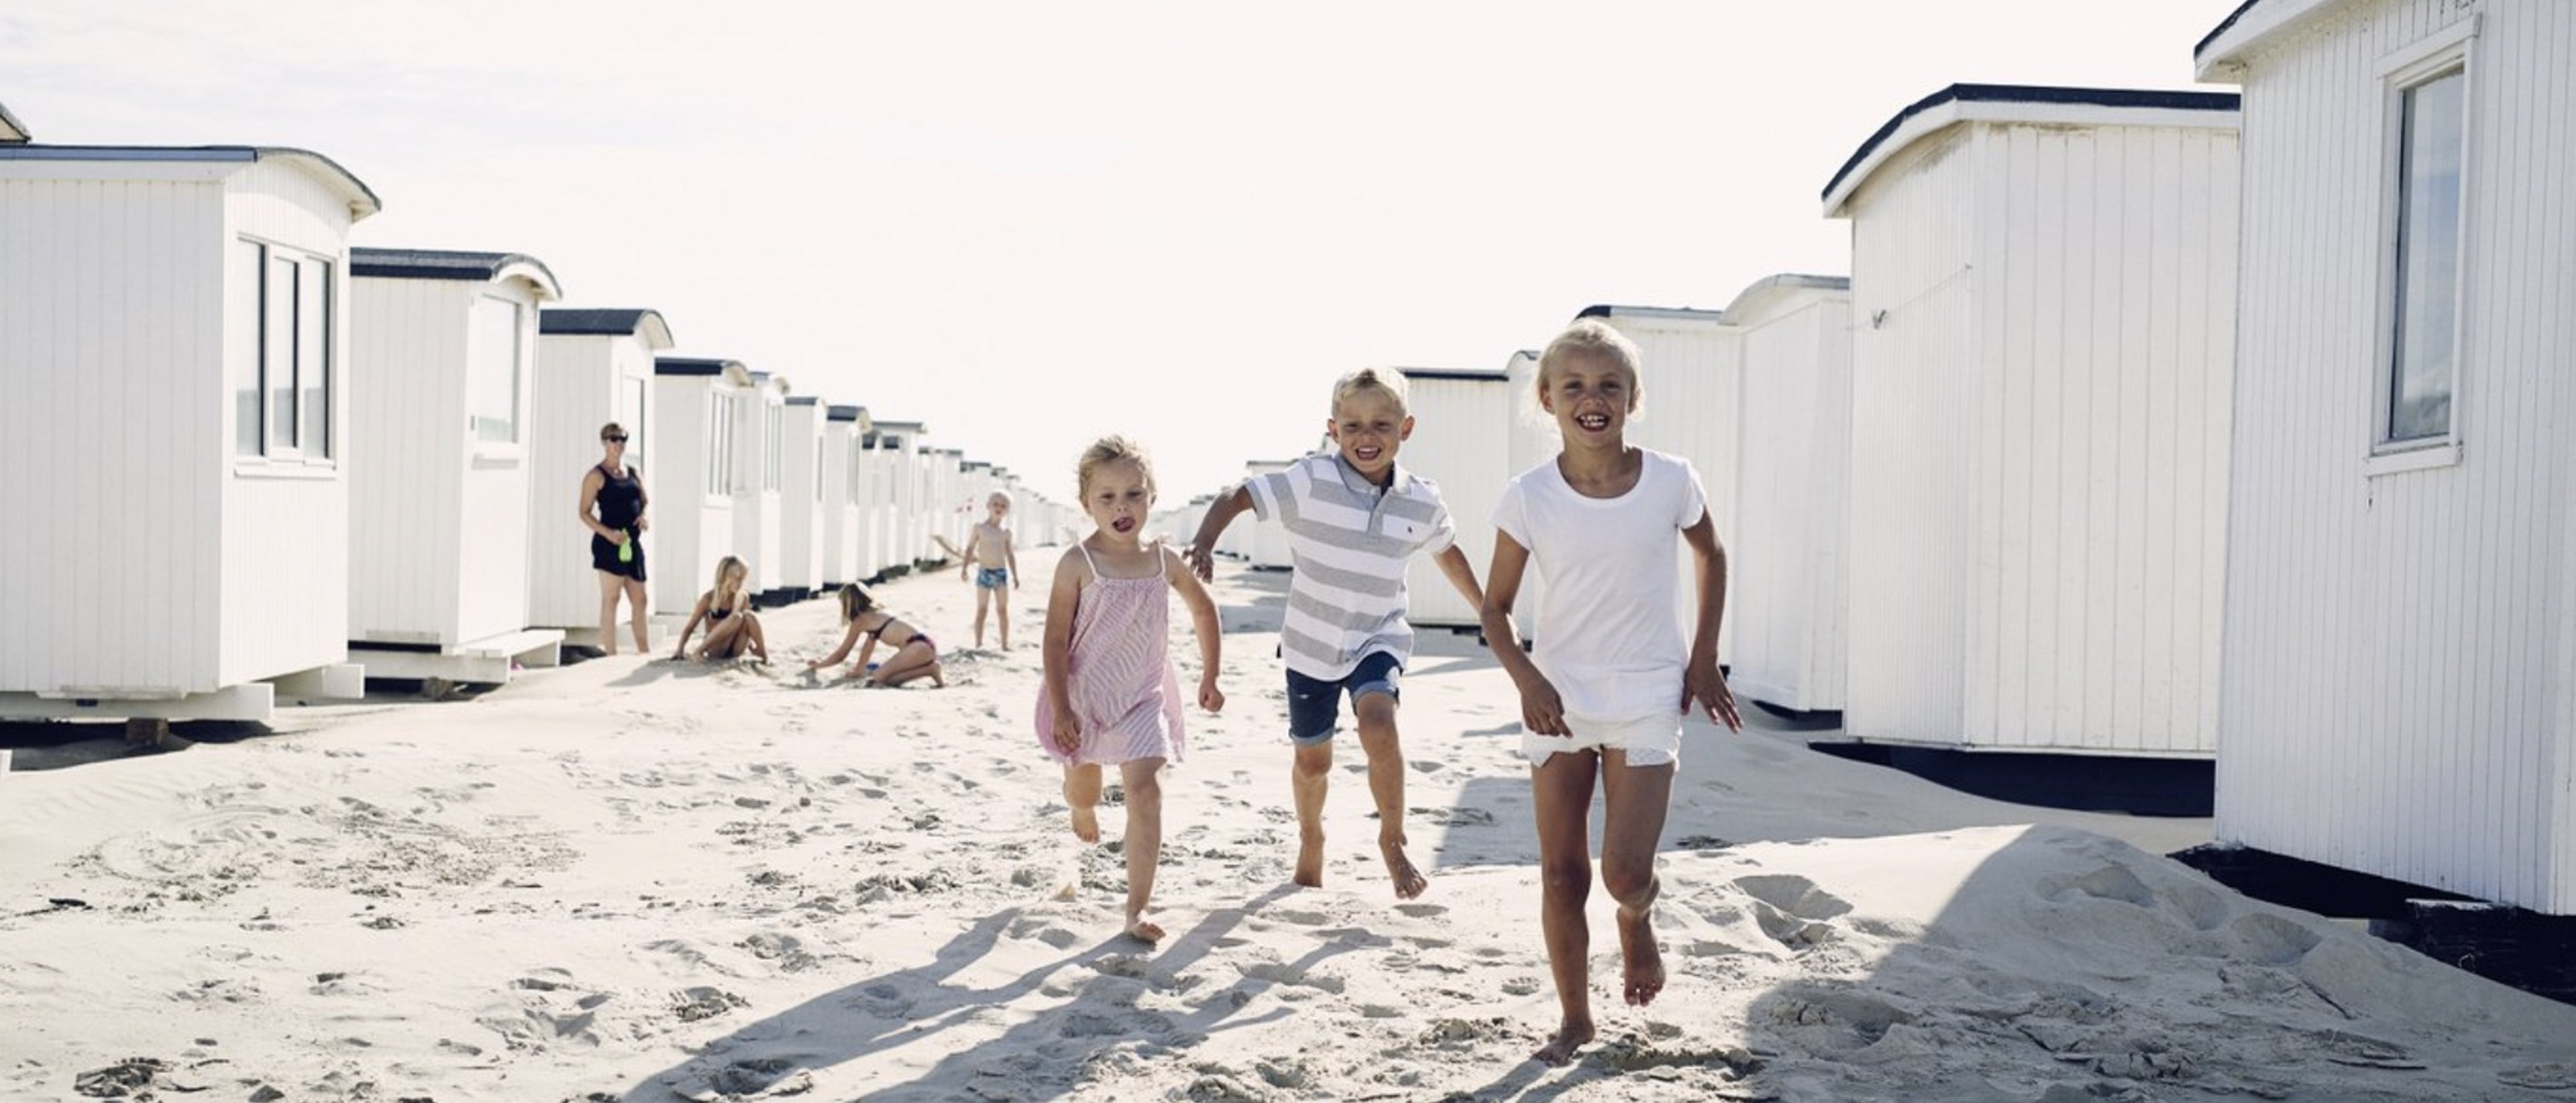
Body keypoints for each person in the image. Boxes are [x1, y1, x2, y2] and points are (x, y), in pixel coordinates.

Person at [1479, 319, 1743, 1067]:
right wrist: (1527, 679)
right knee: (1562, 872)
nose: (1592, 399)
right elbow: (1495, 609)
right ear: (1548, 399)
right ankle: (1574, 1019)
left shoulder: (1670, 479)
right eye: (1574, 387)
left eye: (1608, 385)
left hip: (1647, 693)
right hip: (1557, 697)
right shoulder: (1528, 496)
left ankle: (1636, 919)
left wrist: (1704, 658)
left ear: (1632, 397)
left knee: (1623, 870)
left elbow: (1711, 553)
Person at [1186, 368, 1483, 901]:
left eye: (1381, 425)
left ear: (1406, 429)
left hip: (1378, 635)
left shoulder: (1421, 499)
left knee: (1379, 723)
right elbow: (1238, 495)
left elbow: (1447, 552)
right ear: (1333, 429)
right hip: (1311, 642)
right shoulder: (1311, 481)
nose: (1366, 438)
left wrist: (1486, 608)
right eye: (1352, 427)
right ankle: (1311, 837)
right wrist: (1206, 541)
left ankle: (1393, 841)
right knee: (1312, 761)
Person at [1038, 436, 1225, 943]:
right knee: (1087, 788)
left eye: (1134, 495)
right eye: (1107, 497)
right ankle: (1079, 804)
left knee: (1145, 791)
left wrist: (1210, 675)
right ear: (1086, 504)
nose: (1122, 507)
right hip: (1083, 698)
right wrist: (1061, 709)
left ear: (1152, 496)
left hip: (1144, 697)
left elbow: (1204, 609)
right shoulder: (1078, 564)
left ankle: (1136, 909)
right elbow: (1055, 641)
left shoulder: (1163, 560)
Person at [577, 423, 649, 655]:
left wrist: (643, 517)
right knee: (612, 598)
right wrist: (608, 534)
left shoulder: (633, 472)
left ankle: (644, 651)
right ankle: (611, 654)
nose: (618, 444)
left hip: (632, 543)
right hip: (610, 543)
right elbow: (584, 513)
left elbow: (644, 501)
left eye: (622, 439)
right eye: (613, 439)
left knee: (640, 599)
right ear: (604, 442)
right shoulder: (596, 476)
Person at [808, 582, 945, 687]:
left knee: (880, 678)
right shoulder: (876, 614)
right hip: (923, 646)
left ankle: (930, 670)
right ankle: (930, 669)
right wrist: (859, 671)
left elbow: (842, 654)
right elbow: (868, 647)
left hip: (918, 649)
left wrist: (819, 666)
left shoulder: (861, 620)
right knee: (886, 676)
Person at [671, 556, 769, 663]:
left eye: (743, 579)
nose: (741, 584)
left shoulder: (743, 597)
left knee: (750, 616)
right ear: (725, 577)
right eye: (738, 579)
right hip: (716, 649)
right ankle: (699, 651)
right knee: (736, 617)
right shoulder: (708, 599)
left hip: (736, 648)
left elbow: (747, 627)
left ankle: (763, 654)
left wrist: (751, 646)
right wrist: (680, 649)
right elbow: (690, 627)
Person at [959, 491, 1022, 649]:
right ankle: (978, 643)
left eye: (1003, 506)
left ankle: (1005, 644)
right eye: (996, 504)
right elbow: (970, 548)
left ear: (1007, 511)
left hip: (1000, 573)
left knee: (1002, 610)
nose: (999, 508)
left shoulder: (1006, 533)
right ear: (988, 506)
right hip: (984, 572)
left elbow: (1010, 555)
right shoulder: (979, 528)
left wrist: (1015, 576)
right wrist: (964, 569)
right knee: (982, 609)